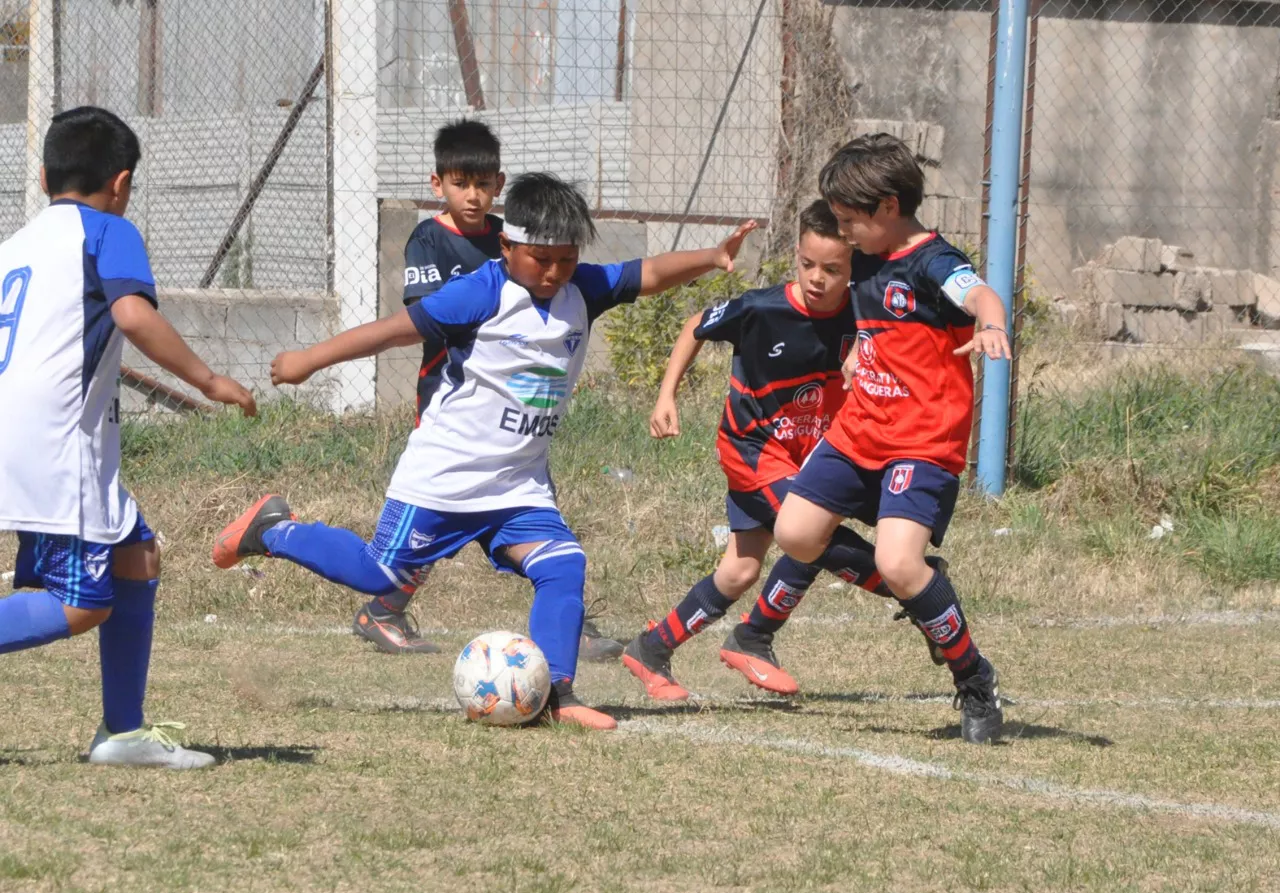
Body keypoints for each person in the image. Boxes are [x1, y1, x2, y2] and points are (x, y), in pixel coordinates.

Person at [213, 172, 756, 730]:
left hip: (517, 486)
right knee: (380, 576)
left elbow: (646, 274)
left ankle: (557, 695)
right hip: (444, 476)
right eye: (540, 258)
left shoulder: (581, 290)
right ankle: (273, 529)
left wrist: (712, 255)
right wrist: (311, 358)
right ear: (506, 245)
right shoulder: (482, 291)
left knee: (563, 565)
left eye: (566, 260)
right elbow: (394, 331)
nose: (553, 272)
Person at [0, 106, 256, 767]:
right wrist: (208, 378)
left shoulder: (17, 246)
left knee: (136, 552)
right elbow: (132, 313)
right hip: (58, 445)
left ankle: (122, 732)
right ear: (121, 182)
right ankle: (119, 731)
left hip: (21, 431)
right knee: (83, 605)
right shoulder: (105, 231)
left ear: (43, 175)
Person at [621, 200, 946, 701]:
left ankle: (652, 648)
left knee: (741, 569)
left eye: (833, 269)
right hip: (752, 450)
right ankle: (921, 599)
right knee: (811, 534)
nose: (817, 278)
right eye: (807, 264)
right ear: (795, 256)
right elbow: (694, 325)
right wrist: (666, 395)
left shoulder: (866, 309)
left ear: (854, 268)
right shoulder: (762, 308)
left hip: (812, 452)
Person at [352, 119, 623, 661]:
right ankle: (383, 606)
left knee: (534, 506)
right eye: (460, 184)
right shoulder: (430, 238)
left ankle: (569, 619)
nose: (471, 196)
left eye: (481, 184)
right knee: (439, 514)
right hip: (453, 395)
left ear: (498, 184)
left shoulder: (518, 234)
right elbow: (427, 313)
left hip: (515, 401)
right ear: (438, 185)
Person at [772, 133, 1008, 744]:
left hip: (923, 442)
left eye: (851, 221)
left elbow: (978, 293)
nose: (844, 233)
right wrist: (857, 353)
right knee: (795, 534)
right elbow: (870, 322)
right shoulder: (865, 256)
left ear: (888, 208)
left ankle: (975, 681)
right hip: (857, 432)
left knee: (896, 562)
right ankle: (929, 595)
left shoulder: (932, 262)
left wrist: (991, 324)